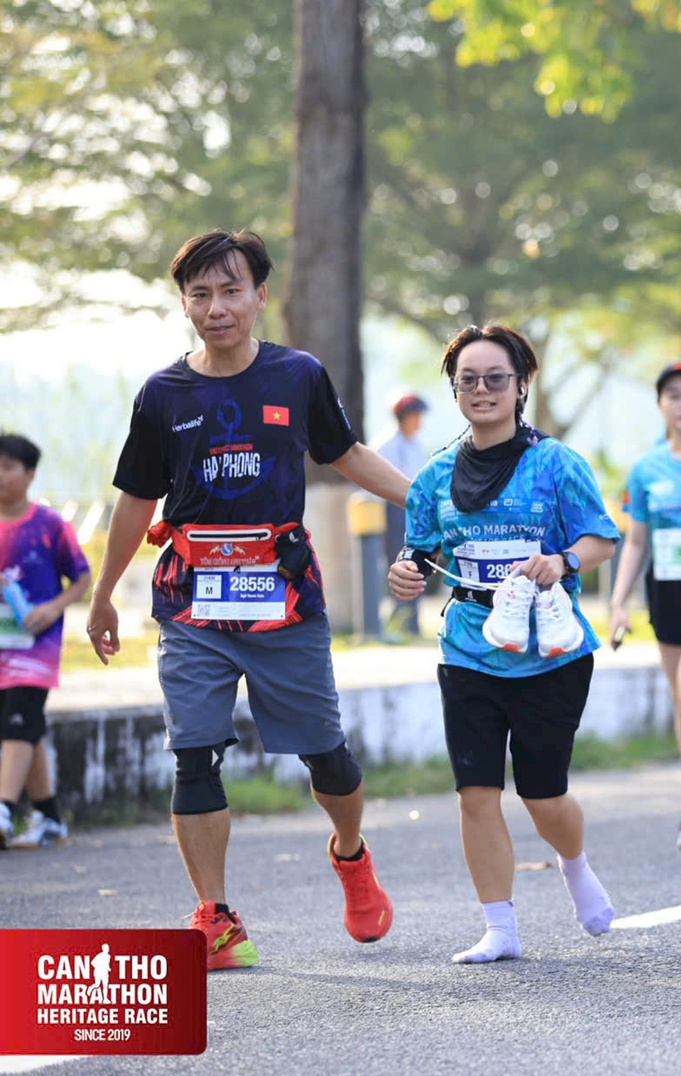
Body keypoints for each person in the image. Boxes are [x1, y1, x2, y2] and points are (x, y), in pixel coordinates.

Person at [86, 229, 410, 972]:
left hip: (285, 601)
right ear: (184, 304)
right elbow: (136, 502)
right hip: (192, 604)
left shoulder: (297, 375)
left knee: (326, 758)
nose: (216, 307)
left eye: (231, 291)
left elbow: (346, 454)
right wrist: (103, 595)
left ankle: (352, 855)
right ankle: (217, 916)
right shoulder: (163, 395)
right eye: (200, 294)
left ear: (260, 295)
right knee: (193, 757)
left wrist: (428, 500)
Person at [389, 323, 619, 964]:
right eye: (469, 380)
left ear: (521, 385)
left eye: (496, 378)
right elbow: (419, 553)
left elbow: (602, 538)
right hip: (467, 648)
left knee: (543, 794)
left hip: (551, 650)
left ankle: (573, 864)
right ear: (455, 390)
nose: (482, 390)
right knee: (476, 791)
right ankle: (500, 928)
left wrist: (563, 558)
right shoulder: (433, 476)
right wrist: (405, 575)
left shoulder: (555, 463)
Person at [610, 361, 681, 850]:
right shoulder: (646, 469)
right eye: (675, 395)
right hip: (668, 592)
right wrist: (618, 604)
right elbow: (636, 542)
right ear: (661, 406)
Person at [0, 434, 91, 849]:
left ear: (30, 473)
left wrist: (54, 609)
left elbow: (82, 577)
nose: (0, 476)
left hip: (36, 646)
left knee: (19, 718)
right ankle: (49, 815)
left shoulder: (50, 525)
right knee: (26, 724)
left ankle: (2, 809)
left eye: (7, 467)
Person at [372, 390, 429, 635]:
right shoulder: (386, 445)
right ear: (403, 416)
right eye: (415, 415)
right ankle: (401, 619)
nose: (419, 421)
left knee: (417, 561)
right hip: (392, 511)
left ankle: (411, 622)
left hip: (415, 513)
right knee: (398, 562)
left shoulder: (417, 445)